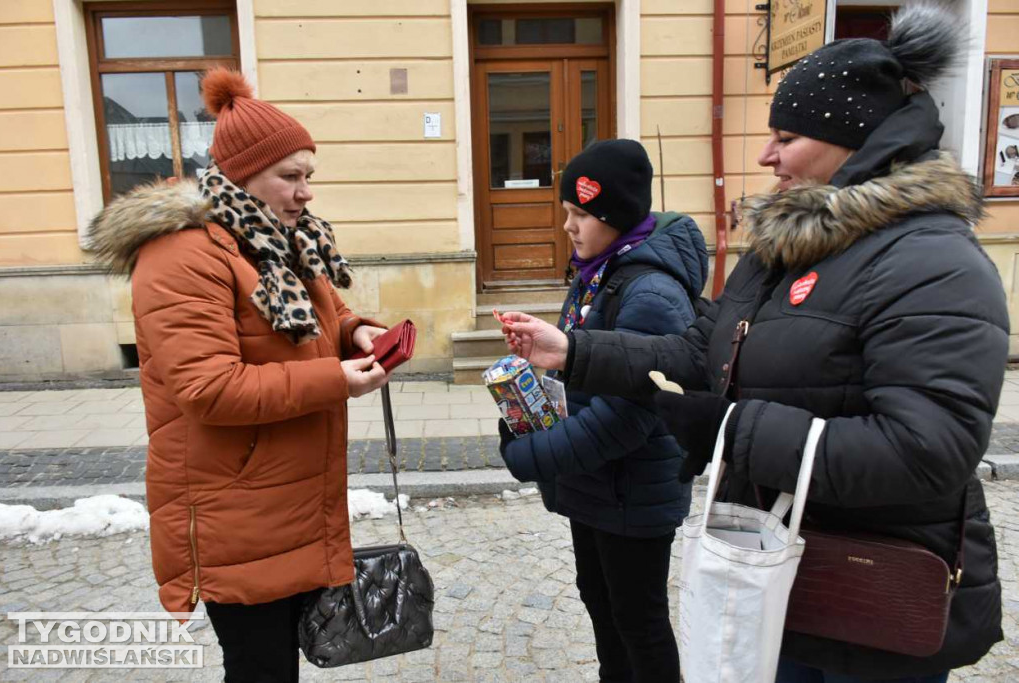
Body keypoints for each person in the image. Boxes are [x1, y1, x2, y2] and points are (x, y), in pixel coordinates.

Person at [499, 5, 1006, 682]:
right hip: (774, 570)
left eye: (787, 136)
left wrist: (731, 428)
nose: (767, 154)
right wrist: (576, 352)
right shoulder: (783, 248)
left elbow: (926, 451)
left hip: (874, 591)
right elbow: (697, 348)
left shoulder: (934, 260)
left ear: (853, 139)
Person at [87, 68, 389, 682]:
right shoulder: (181, 254)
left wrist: (354, 329)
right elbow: (208, 389)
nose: (306, 193)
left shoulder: (276, 240)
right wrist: (338, 379)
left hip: (285, 500)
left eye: (309, 177)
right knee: (260, 669)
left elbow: (301, 323)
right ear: (240, 176)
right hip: (234, 508)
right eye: (291, 176)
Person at [499, 139, 709, 683]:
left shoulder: (650, 291)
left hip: (632, 491)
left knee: (637, 620)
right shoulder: (600, 271)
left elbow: (629, 415)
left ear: (614, 216)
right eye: (565, 212)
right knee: (601, 603)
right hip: (597, 484)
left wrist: (534, 454)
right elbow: (588, 370)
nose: (568, 226)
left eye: (579, 214)